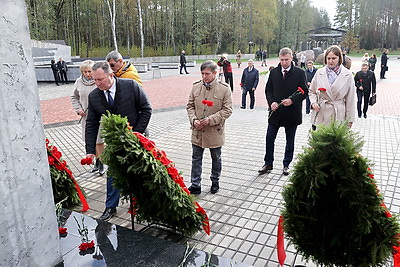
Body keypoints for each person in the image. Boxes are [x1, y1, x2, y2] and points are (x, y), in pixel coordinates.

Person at [85, 61, 152, 221]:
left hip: (137, 137)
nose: (97, 83)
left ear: (111, 75)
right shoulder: (94, 96)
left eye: (100, 79)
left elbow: (146, 109)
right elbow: (91, 123)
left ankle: (143, 204)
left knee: (139, 171)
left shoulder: (131, 86)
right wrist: (90, 150)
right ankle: (110, 207)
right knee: (113, 173)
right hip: (114, 141)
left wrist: (136, 133)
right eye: (94, 80)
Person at [258, 47, 307, 176]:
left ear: (292, 58)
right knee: (269, 138)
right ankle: (268, 163)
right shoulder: (274, 72)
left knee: (290, 140)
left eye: (286, 60)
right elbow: (268, 90)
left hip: (292, 113)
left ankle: (286, 164)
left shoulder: (300, 73)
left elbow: (304, 92)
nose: (284, 63)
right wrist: (272, 102)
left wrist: (292, 101)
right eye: (282, 60)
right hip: (276, 112)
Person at [186, 60, 233, 195]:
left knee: (216, 158)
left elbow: (227, 110)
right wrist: (194, 120)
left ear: (215, 73)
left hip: (214, 131)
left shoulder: (224, 89)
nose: (204, 77)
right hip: (197, 131)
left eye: (207, 74)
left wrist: (210, 120)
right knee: (196, 159)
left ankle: (215, 181)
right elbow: (190, 106)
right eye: (202, 74)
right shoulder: (196, 87)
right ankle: (195, 184)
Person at [71, 60, 105, 176]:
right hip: (86, 117)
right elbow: (74, 97)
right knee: (90, 140)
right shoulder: (78, 82)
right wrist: (78, 109)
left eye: (89, 71)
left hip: (99, 117)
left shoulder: (98, 81)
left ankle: (101, 163)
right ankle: (96, 161)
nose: (88, 74)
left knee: (99, 141)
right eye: (85, 71)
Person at [309, 45, 356, 129]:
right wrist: (313, 103)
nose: (330, 61)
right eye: (328, 58)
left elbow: (351, 99)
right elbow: (311, 91)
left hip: (338, 114)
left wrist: (350, 120)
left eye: (334, 58)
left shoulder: (348, 75)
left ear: (339, 58)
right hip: (321, 113)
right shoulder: (319, 73)